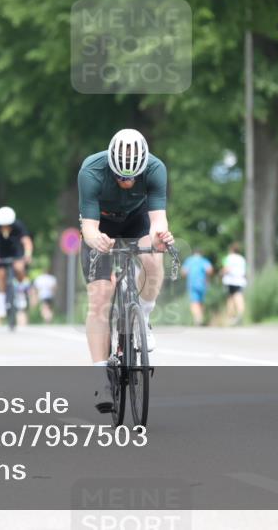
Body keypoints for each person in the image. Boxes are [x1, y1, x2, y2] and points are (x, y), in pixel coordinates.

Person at [78, 128, 174, 413]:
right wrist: (96, 239)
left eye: (131, 178)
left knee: (154, 256)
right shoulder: (91, 170)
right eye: (120, 177)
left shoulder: (156, 168)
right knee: (99, 298)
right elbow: (88, 227)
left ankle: (141, 317)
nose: (126, 182)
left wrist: (161, 236)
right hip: (101, 224)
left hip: (136, 220)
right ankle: (100, 377)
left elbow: (158, 221)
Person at [0, 206, 33, 326]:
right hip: (1, 254)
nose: (5, 227)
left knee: (19, 268)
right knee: (1, 275)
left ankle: (21, 293)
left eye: (8, 225)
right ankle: (1, 304)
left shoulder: (18, 226)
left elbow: (26, 242)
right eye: (3, 225)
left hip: (17, 252)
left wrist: (27, 254)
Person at [181, 249, 213, 326]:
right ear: (201, 254)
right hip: (202, 284)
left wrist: (186, 276)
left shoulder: (189, 260)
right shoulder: (203, 260)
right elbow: (210, 270)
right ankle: (200, 318)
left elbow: (184, 272)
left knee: (194, 302)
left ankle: (198, 319)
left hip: (192, 284)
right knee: (201, 302)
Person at [221, 243, 247, 325]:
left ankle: (230, 318)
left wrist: (221, 273)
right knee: (239, 297)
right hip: (240, 280)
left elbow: (226, 269)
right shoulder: (242, 259)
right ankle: (240, 315)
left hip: (230, 280)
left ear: (231, 250)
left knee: (230, 299)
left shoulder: (228, 258)